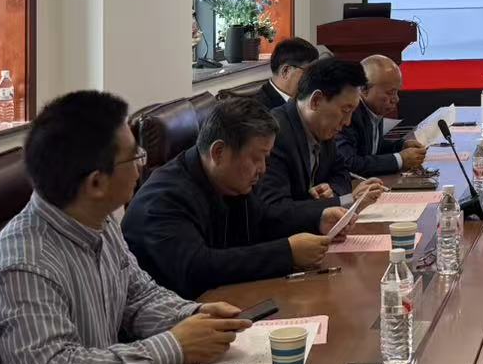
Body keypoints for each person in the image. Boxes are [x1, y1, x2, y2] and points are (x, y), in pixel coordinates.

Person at [0, 91, 250, 364]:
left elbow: (137, 296)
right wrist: (173, 346)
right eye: (134, 156)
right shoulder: (23, 264)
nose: (142, 165)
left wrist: (193, 316)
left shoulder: (97, 219)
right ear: (96, 183)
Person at [122, 96, 345, 299]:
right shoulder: (164, 199)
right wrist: (287, 253)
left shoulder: (229, 182)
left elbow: (265, 219)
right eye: (256, 158)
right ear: (218, 152)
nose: (263, 169)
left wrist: (318, 219)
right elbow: (198, 268)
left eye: (266, 158)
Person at [256, 55, 381, 234]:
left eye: (352, 112)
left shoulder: (322, 127)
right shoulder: (275, 134)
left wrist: (332, 191)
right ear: (316, 101)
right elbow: (275, 210)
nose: (347, 122)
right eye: (345, 110)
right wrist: (344, 201)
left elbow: (341, 172)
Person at [336, 55, 426, 178]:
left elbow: (371, 148)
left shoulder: (373, 109)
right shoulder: (349, 114)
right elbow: (349, 163)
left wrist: (401, 146)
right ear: (364, 89)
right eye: (390, 93)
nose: (396, 99)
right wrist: (399, 159)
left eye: (397, 92)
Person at [255, 36, 319, 112]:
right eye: (309, 72)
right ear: (285, 71)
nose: (314, 79)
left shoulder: (309, 100)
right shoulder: (259, 110)